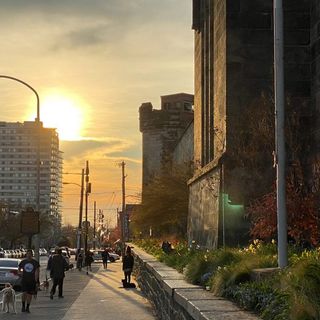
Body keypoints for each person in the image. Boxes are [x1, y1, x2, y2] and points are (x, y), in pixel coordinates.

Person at [18, 249, 40, 313]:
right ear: (26, 254)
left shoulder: (35, 263)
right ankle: (23, 306)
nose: (29, 255)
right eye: (28, 254)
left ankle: (27, 307)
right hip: (24, 280)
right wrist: (20, 273)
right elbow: (19, 270)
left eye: (30, 254)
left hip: (32, 281)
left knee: (29, 294)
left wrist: (37, 281)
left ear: (32, 255)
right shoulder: (23, 262)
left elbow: (37, 272)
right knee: (24, 293)